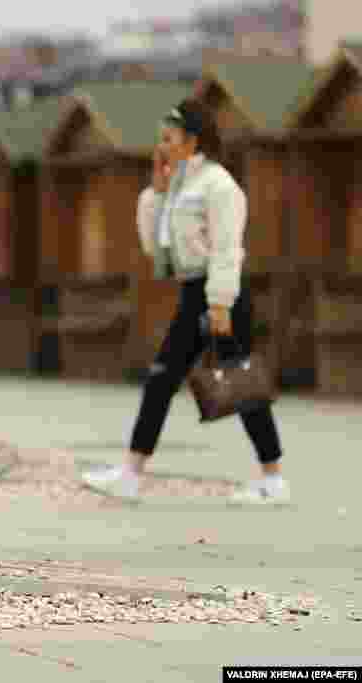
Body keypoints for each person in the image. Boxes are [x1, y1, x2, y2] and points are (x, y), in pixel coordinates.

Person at [80, 98, 287, 504]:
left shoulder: (219, 186)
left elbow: (227, 250)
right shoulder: (179, 187)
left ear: (192, 140)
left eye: (168, 138)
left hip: (220, 294)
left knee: (241, 383)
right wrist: (156, 191)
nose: (161, 146)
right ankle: (131, 474)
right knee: (161, 380)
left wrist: (220, 305)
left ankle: (274, 478)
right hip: (193, 293)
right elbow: (154, 247)